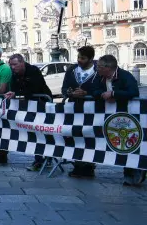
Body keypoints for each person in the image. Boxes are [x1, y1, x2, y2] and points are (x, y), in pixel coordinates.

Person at [92, 54, 144, 186]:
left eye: (99, 66)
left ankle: (134, 172)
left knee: (129, 143)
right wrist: (102, 95)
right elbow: (93, 91)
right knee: (110, 142)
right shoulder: (99, 77)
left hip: (127, 117)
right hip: (107, 117)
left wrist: (114, 94)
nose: (96, 68)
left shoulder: (125, 76)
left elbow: (133, 92)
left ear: (107, 67)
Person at [4, 54, 52, 171]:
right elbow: (15, 87)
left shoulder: (33, 70)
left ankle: (47, 158)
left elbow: (34, 88)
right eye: (11, 65)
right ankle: (39, 159)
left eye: (15, 64)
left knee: (44, 131)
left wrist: (18, 93)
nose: (13, 67)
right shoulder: (14, 74)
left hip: (42, 103)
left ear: (22, 63)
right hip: (29, 105)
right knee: (34, 132)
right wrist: (13, 92)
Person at [62, 46, 98, 178]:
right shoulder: (72, 70)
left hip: (91, 110)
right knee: (76, 135)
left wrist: (87, 93)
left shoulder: (97, 71)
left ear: (90, 59)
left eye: (82, 58)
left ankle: (89, 166)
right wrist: (70, 92)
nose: (79, 60)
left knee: (89, 137)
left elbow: (100, 89)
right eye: (78, 57)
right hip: (74, 108)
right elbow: (64, 87)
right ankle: (77, 164)